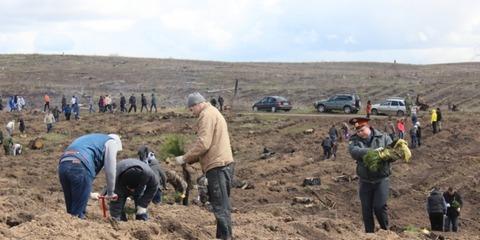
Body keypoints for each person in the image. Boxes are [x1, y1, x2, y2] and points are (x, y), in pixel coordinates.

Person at [175, 92, 234, 240]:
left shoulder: (206, 115)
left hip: (217, 166)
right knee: (222, 205)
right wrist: (191, 160)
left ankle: (225, 237)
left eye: (191, 108)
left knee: (220, 206)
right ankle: (222, 236)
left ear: (197, 104)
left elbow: (204, 143)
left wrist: (184, 158)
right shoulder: (213, 112)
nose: (192, 112)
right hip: (223, 163)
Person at [58, 133, 122, 218]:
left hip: (63, 165)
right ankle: (78, 227)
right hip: (80, 165)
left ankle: (69, 226)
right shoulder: (111, 142)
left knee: (71, 209)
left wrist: (89, 193)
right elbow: (110, 168)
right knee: (78, 212)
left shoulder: (93, 139)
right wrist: (110, 192)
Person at [348, 117, 393, 233]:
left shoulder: (383, 137)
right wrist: (373, 152)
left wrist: (385, 155)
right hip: (365, 181)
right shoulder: (354, 140)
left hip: (381, 179)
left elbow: (392, 153)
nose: (360, 133)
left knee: (379, 207)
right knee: (366, 209)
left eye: (362, 130)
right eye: (357, 131)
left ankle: (385, 231)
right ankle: (369, 234)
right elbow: (354, 152)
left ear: (368, 126)